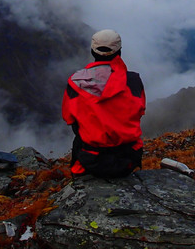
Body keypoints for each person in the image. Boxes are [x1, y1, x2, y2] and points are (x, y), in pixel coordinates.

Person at [62, 29, 146, 178]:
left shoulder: (76, 83)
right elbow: (139, 112)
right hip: (128, 159)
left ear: (93, 52)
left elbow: (69, 118)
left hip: (91, 159)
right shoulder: (133, 81)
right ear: (119, 52)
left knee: (79, 132)